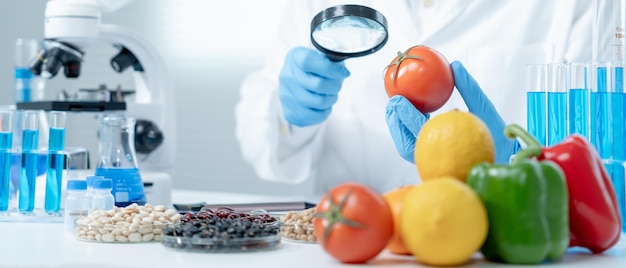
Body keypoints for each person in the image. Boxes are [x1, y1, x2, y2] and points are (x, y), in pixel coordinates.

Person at [234, 0, 592, 195]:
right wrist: (290, 113)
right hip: (353, 236)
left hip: (496, 241)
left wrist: (515, 165)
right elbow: (257, 140)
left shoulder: (574, 6)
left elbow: (598, 162)